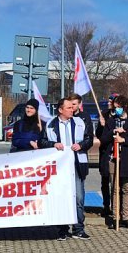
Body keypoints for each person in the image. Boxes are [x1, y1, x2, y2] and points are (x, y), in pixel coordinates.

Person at [38, 97, 93, 240]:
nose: (72, 110)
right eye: (68, 108)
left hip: (77, 164)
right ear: (60, 110)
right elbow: (41, 141)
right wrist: (53, 144)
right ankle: (62, 230)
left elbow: (89, 139)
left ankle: (78, 228)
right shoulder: (50, 124)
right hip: (59, 168)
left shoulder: (79, 122)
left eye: (72, 107)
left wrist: (81, 145)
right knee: (62, 198)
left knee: (79, 198)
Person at [100, 95, 128, 229]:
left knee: (127, 189)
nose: (116, 110)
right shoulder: (111, 121)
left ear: (125, 107)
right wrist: (113, 132)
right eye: (115, 107)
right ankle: (115, 217)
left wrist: (124, 139)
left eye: (118, 107)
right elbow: (103, 139)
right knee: (115, 189)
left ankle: (126, 217)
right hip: (114, 159)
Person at [95, 93, 118, 220]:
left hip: (115, 152)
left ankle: (116, 206)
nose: (109, 103)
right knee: (105, 180)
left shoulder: (120, 116)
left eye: (111, 101)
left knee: (115, 182)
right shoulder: (104, 114)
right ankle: (106, 205)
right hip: (104, 152)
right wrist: (101, 126)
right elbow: (99, 135)